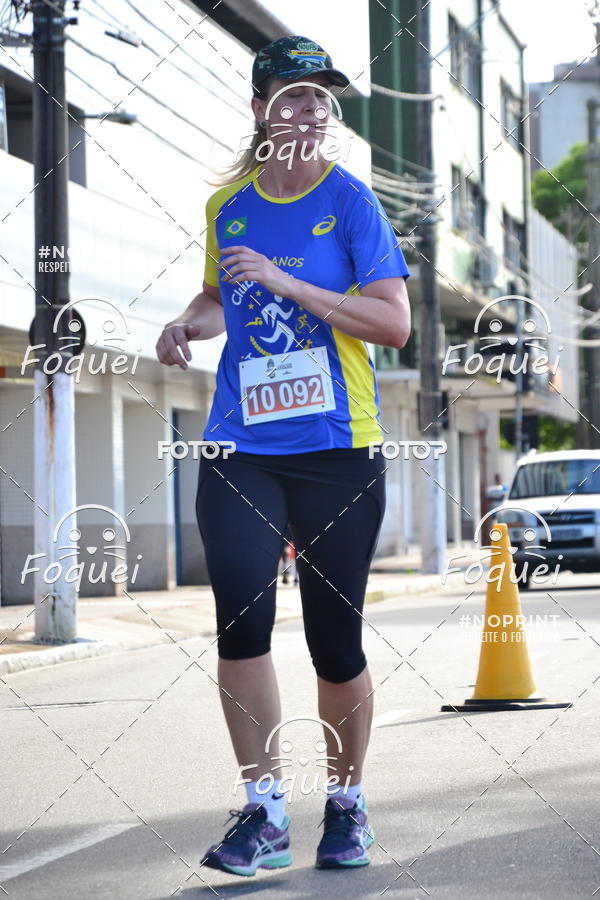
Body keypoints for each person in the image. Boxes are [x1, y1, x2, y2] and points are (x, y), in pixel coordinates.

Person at [155, 35, 411, 876]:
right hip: (241, 444)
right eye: (294, 96)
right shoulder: (229, 206)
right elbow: (222, 291)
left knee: (335, 644)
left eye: (321, 101)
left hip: (338, 448)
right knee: (241, 626)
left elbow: (391, 323)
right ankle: (263, 812)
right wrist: (189, 323)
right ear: (261, 106)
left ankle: (346, 805)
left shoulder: (353, 203)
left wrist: (289, 281)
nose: (308, 112)